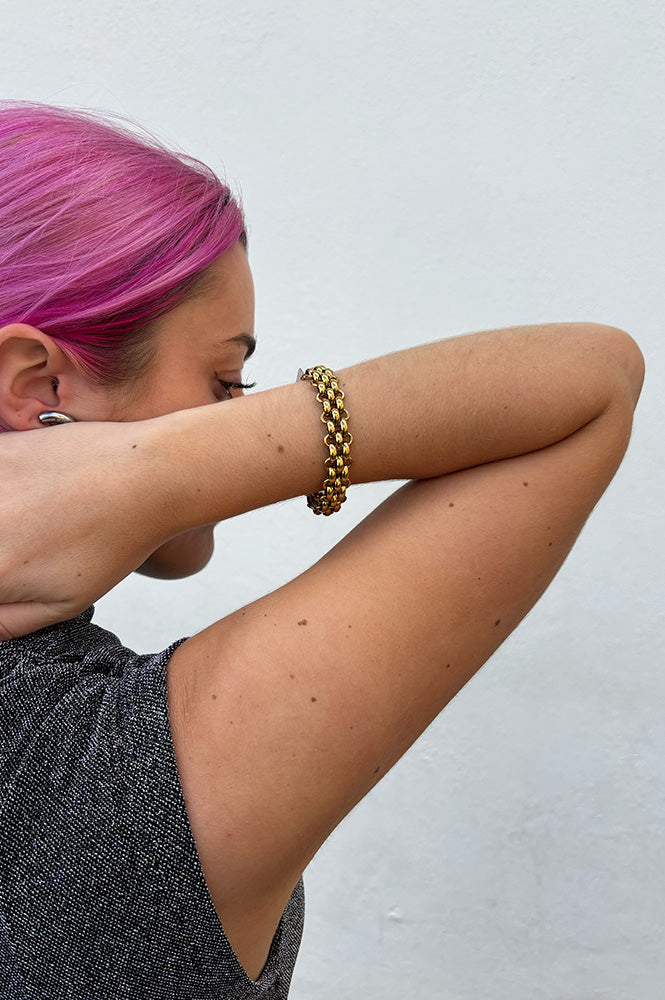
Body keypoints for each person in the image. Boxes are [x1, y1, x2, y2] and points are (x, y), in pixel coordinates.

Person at [0, 101, 645, 1000]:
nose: (234, 409)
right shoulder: (109, 778)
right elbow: (590, 383)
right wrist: (144, 474)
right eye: (227, 383)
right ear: (36, 386)